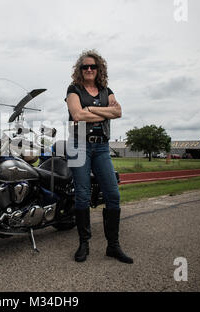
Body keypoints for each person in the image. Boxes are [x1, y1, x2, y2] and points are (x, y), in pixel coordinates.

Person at [65, 49, 133, 264]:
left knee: (113, 195)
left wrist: (90, 110)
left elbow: (118, 112)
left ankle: (113, 246)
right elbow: (77, 114)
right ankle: (84, 244)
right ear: (80, 69)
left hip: (102, 147)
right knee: (82, 195)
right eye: (85, 66)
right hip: (79, 145)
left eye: (93, 66)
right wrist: (105, 111)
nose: (89, 69)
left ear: (99, 68)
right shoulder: (73, 89)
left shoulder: (106, 90)